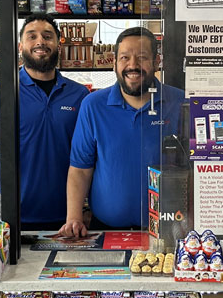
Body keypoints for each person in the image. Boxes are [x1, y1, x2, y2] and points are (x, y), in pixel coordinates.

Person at [60, 27, 184, 237]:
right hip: (106, 230)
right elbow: (80, 169)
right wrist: (73, 218)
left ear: (156, 61)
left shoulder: (180, 103)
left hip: (170, 229)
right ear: (114, 62)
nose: (132, 65)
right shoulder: (93, 105)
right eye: (125, 57)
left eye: (142, 57)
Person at [0, 13, 89, 229]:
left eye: (47, 36)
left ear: (59, 44)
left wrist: (86, 206)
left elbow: (90, 157)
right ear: (20, 46)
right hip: (13, 219)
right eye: (32, 36)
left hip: (69, 219)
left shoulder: (79, 95)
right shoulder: (0, 93)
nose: (40, 41)